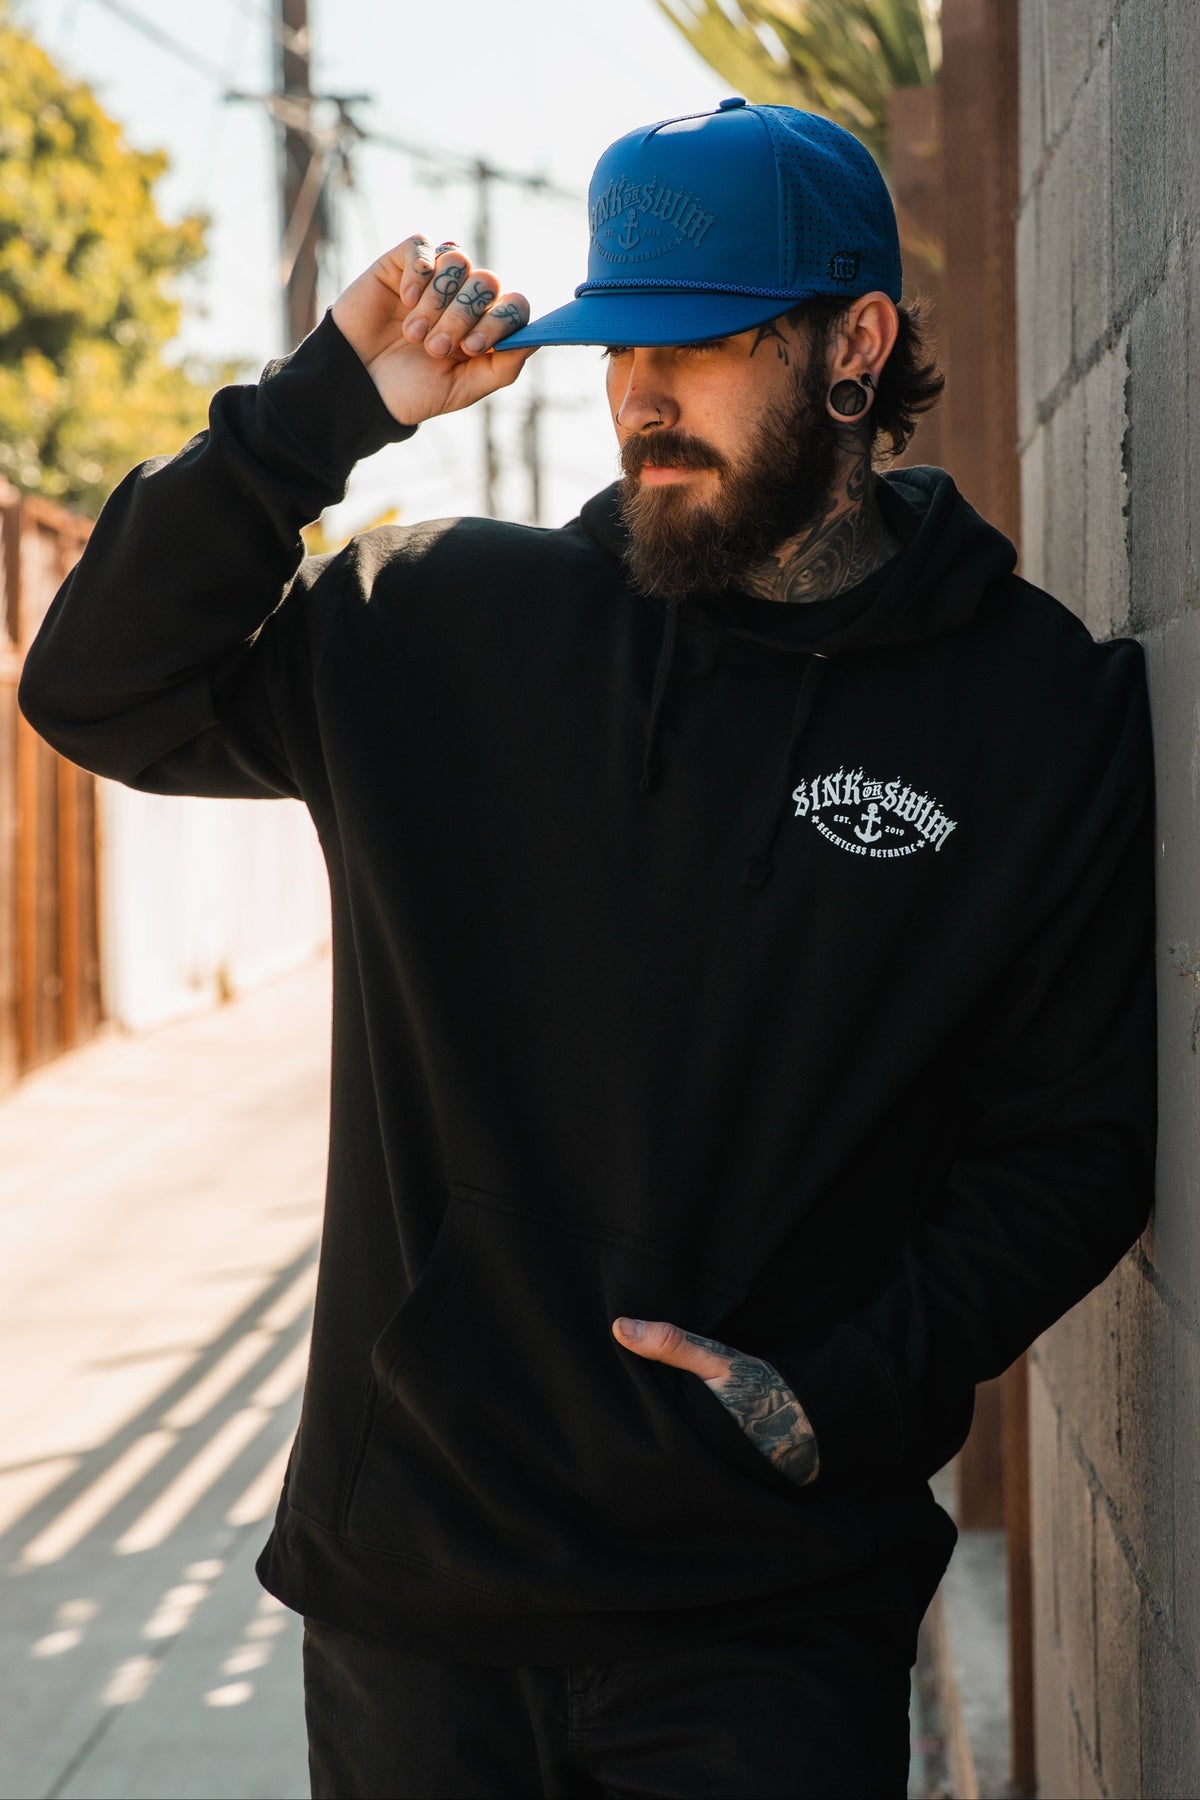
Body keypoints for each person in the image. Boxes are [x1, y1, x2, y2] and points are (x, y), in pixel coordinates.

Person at [18, 100, 1157, 1800]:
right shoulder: (445, 626)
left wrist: (829, 1398)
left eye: (701, 346)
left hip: (766, 1621)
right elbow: (93, 684)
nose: (639, 392)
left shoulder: (1033, 709)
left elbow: (1071, 1150)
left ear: (856, 347)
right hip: (413, 1614)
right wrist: (320, 412)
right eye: (621, 341)